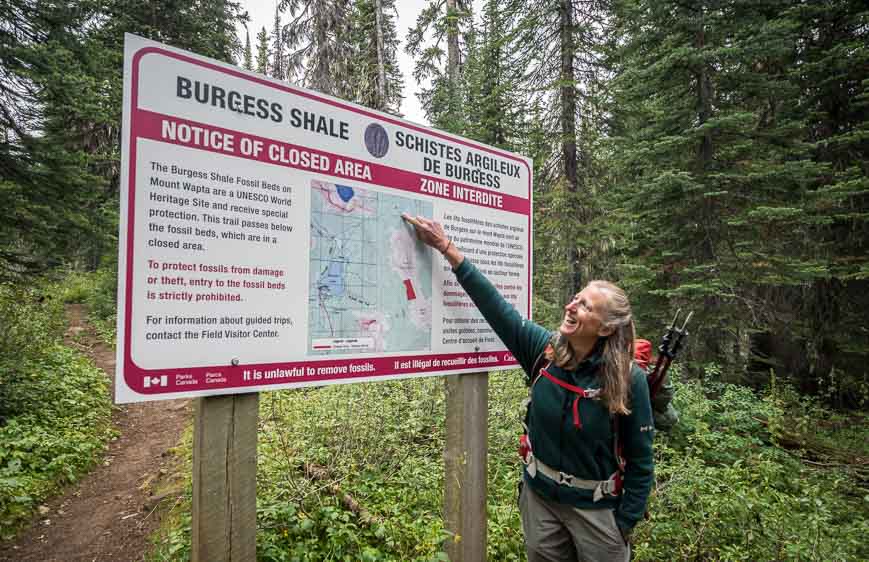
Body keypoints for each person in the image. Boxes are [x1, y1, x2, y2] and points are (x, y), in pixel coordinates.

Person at [403, 214, 654, 562]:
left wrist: (623, 524)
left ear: (606, 328)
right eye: (575, 298)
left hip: (598, 514)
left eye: (585, 306)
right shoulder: (543, 351)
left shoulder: (628, 379)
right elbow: (496, 308)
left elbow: (641, 459)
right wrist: (447, 248)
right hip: (541, 504)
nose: (571, 306)